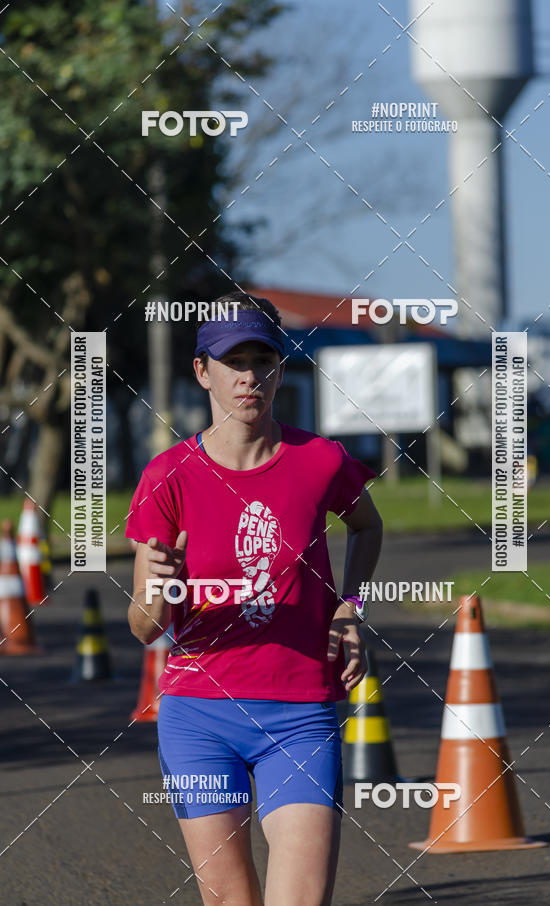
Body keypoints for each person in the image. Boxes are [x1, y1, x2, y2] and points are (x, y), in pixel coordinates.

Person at [126, 291, 383, 906]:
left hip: (300, 713)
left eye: (262, 361)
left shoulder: (319, 460)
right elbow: (142, 628)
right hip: (199, 716)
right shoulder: (169, 476)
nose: (249, 378)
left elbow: (367, 526)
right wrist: (157, 589)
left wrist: (350, 607)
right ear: (202, 371)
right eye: (233, 362)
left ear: (280, 368)